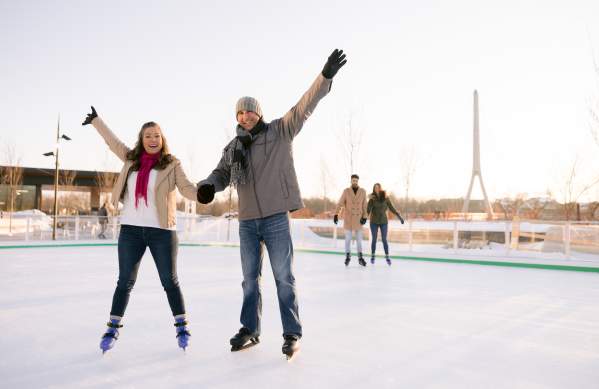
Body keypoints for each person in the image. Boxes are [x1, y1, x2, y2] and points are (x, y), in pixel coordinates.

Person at [197, 49, 347, 359]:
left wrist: (325, 76)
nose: (244, 117)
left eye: (249, 112)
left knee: (283, 278)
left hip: (277, 218)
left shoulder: (280, 131)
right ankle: (250, 329)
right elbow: (221, 173)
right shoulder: (234, 146)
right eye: (240, 114)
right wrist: (208, 186)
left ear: (259, 113)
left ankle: (292, 333)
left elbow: (305, 106)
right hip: (247, 221)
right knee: (250, 280)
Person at [82, 106, 198, 353]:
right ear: (141, 140)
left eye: (157, 135)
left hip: (162, 232)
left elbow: (188, 189)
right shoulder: (131, 160)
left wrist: (205, 192)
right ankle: (112, 327)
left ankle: (182, 326)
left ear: (162, 139)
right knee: (124, 281)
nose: (153, 140)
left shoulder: (171, 164)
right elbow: (113, 142)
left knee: (170, 280)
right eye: (148, 136)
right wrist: (96, 121)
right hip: (131, 231)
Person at [334, 174, 368, 266]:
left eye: (356, 181)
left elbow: (365, 205)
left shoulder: (363, 191)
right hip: (348, 219)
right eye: (353, 180)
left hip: (359, 219)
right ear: (351, 181)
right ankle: (348, 257)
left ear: (358, 181)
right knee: (348, 240)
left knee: (359, 241)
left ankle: (360, 258)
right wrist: (336, 214)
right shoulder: (346, 191)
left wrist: (365, 216)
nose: (355, 182)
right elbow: (340, 203)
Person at [367, 183, 404, 265]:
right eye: (375, 188)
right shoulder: (372, 198)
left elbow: (391, 207)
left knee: (384, 239)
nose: (376, 189)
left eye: (378, 187)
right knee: (374, 239)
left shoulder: (386, 197)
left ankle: (387, 256)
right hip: (374, 221)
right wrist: (364, 218)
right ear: (374, 189)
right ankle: (373, 255)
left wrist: (399, 216)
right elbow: (368, 209)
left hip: (383, 221)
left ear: (380, 188)